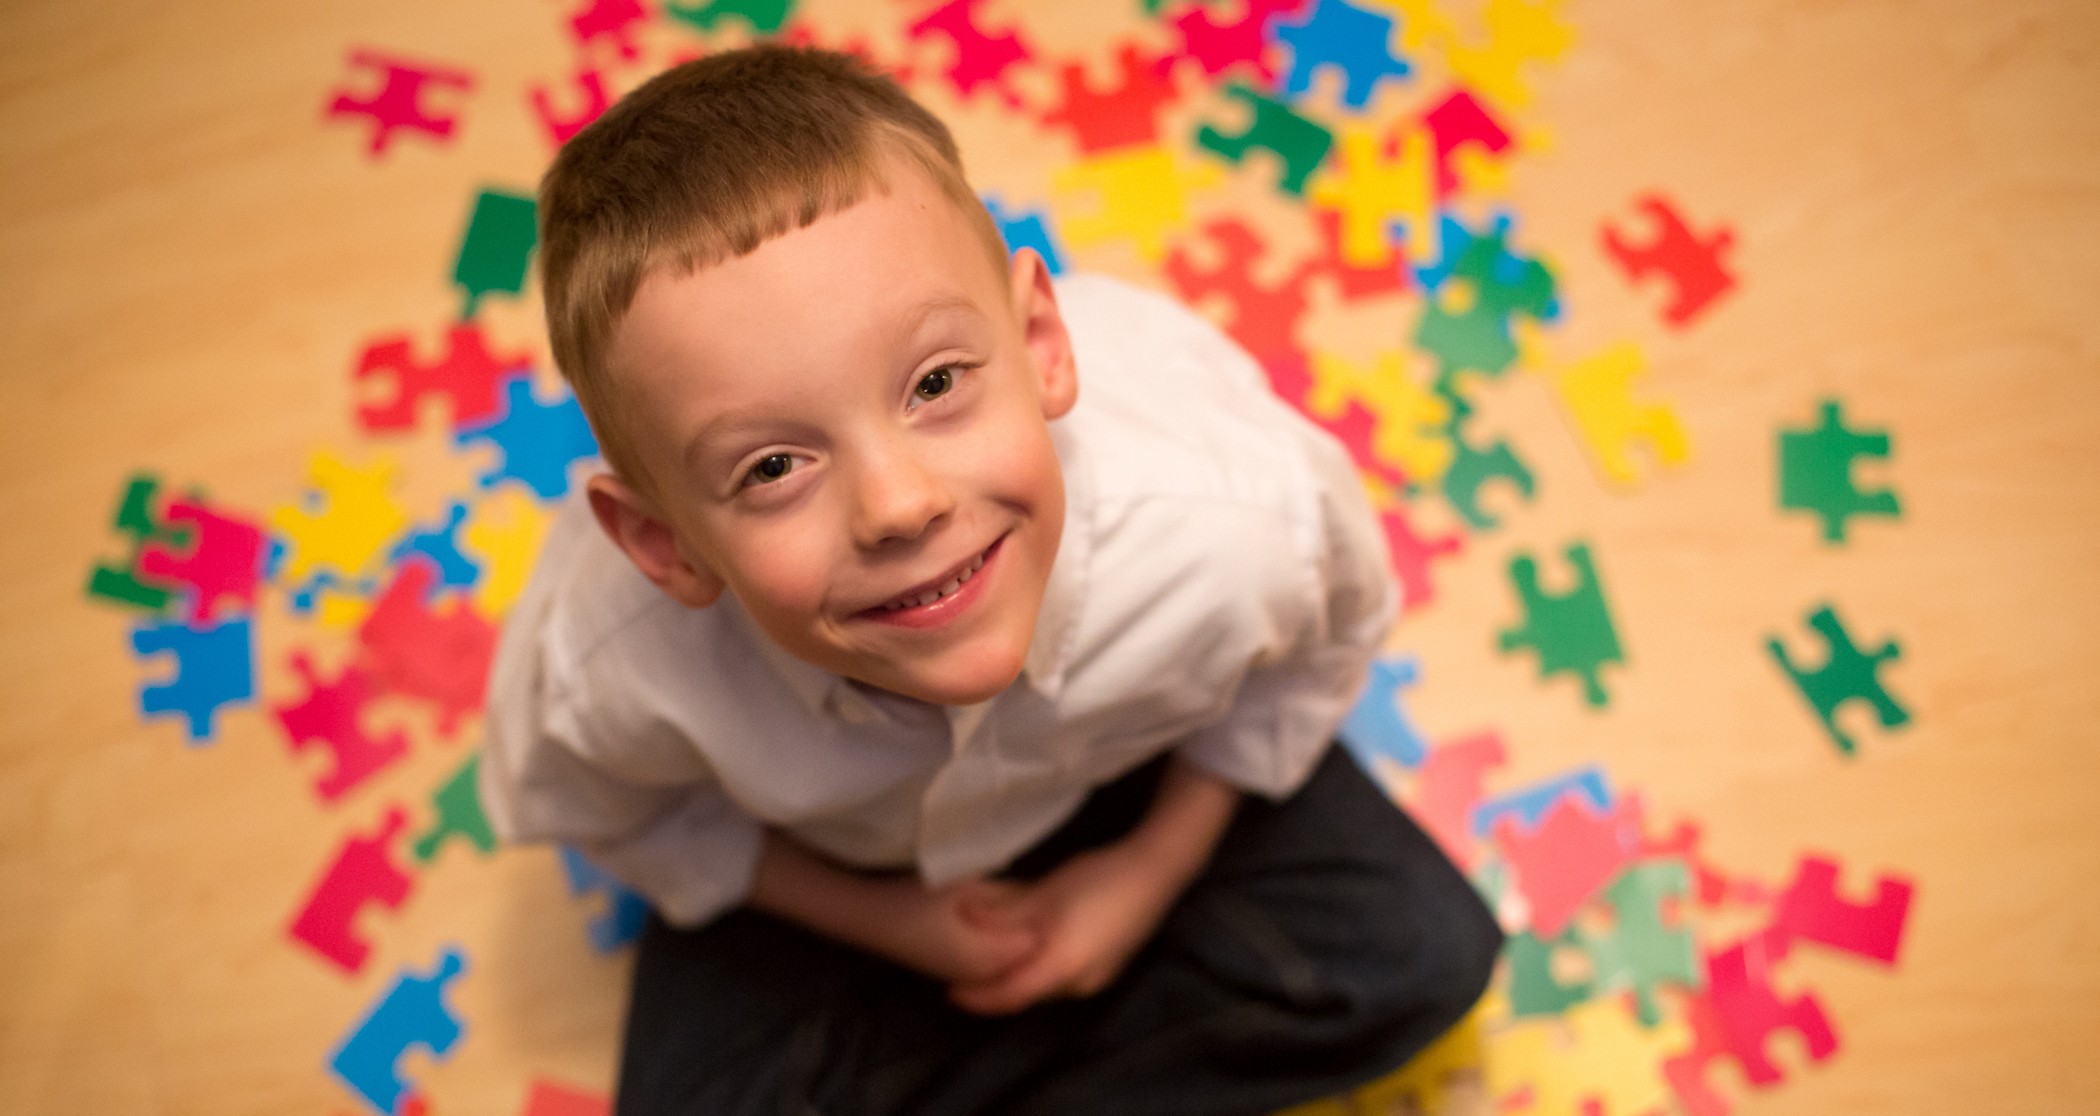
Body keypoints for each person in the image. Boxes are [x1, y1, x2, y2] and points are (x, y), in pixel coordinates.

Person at [478, 43, 1503, 1116]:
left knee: (1425, 955)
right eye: (773, 468)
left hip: (1133, 765)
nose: (899, 504)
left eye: (933, 384)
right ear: (662, 546)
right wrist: (884, 924)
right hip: (851, 870)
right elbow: (616, 815)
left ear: (1041, 344)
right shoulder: (606, 668)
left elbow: (1313, 659)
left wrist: (1150, 871)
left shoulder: (1234, 523)